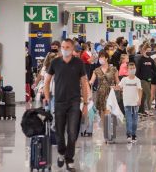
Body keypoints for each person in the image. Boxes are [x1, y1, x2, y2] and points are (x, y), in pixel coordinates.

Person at [43, 39, 89, 172]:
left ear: (72, 48)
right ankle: (62, 152)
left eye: (67, 47)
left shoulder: (79, 63)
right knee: (59, 131)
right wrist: (47, 97)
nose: (64, 49)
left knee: (72, 132)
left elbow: (84, 84)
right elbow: (47, 81)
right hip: (59, 102)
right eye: (62, 47)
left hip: (74, 102)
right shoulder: (55, 62)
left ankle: (69, 159)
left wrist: (85, 103)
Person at [89, 51, 120, 121]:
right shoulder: (96, 70)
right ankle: (105, 129)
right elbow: (91, 81)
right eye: (99, 57)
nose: (100, 59)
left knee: (107, 111)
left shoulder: (113, 69)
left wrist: (117, 87)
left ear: (106, 58)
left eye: (102, 57)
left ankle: (107, 129)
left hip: (110, 93)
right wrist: (89, 83)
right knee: (101, 113)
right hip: (100, 93)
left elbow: (118, 82)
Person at [118, 62, 142, 143]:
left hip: (135, 103)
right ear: (127, 70)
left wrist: (139, 99)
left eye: (133, 68)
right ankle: (129, 134)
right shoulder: (124, 80)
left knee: (135, 121)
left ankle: (134, 134)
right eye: (130, 68)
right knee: (129, 120)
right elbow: (119, 87)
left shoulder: (137, 80)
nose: (132, 70)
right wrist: (113, 88)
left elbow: (139, 90)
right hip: (127, 103)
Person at [136, 43, 156, 116]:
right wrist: (137, 80)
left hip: (149, 80)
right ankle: (148, 109)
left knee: (143, 95)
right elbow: (137, 70)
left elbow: (155, 70)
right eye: (147, 50)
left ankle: (141, 110)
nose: (149, 52)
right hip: (142, 80)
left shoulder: (151, 60)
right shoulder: (140, 60)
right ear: (144, 50)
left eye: (150, 51)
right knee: (149, 94)